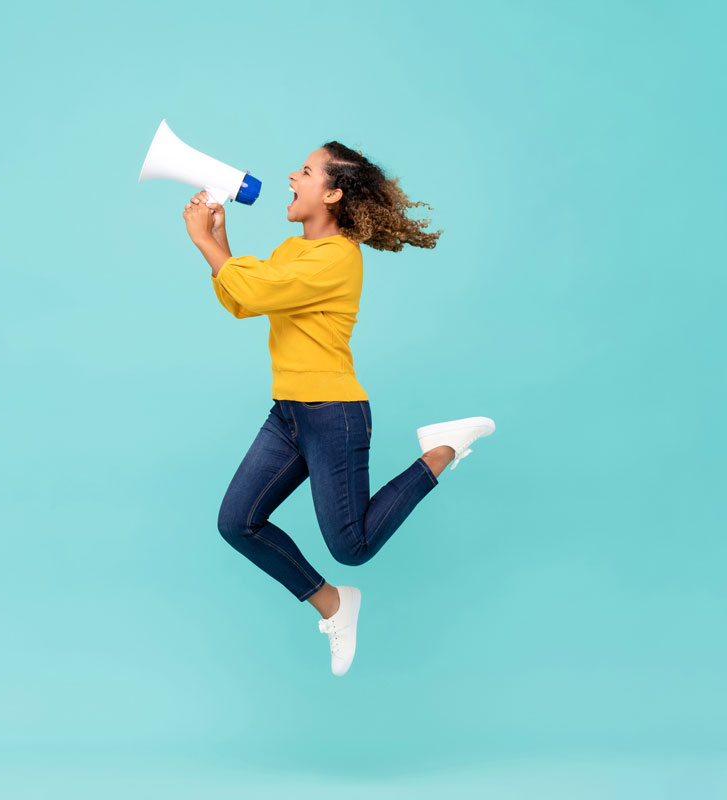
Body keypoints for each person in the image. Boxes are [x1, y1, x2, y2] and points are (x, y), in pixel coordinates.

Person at [183, 142, 495, 676]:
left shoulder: (339, 258)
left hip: (333, 414)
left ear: (332, 193)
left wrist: (202, 242)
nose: (290, 176)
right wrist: (216, 241)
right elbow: (242, 299)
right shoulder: (289, 252)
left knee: (352, 548)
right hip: (289, 414)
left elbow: (253, 292)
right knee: (238, 522)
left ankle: (440, 452)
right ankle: (332, 603)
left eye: (304, 171)